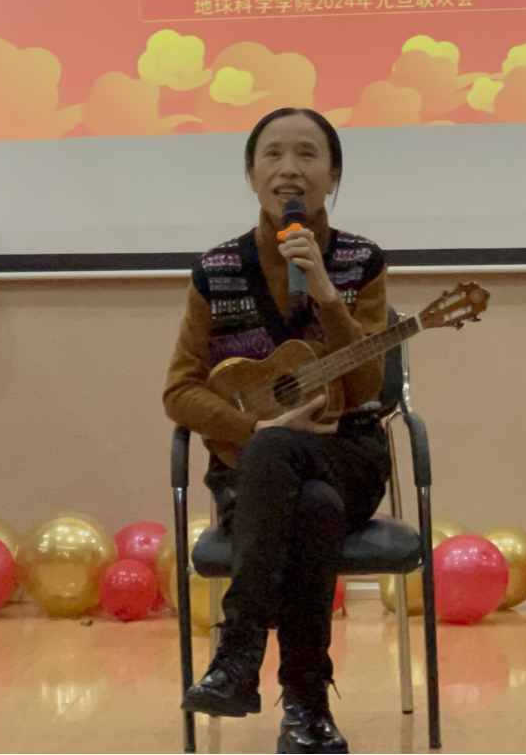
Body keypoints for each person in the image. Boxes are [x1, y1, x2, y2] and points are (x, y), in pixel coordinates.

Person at [163, 108, 391, 755]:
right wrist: (255, 426)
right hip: (254, 475)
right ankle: (306, 706)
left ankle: (238, 656)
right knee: (308, 503)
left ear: (333, 176)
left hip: (347, 456)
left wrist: (325, 292)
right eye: (273, 154)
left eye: (308, 155)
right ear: (251, 173)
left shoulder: (360, 261)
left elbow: (365, 386)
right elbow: (179, 390)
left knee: (312, 485)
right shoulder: (216, 271)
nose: (289, 168)